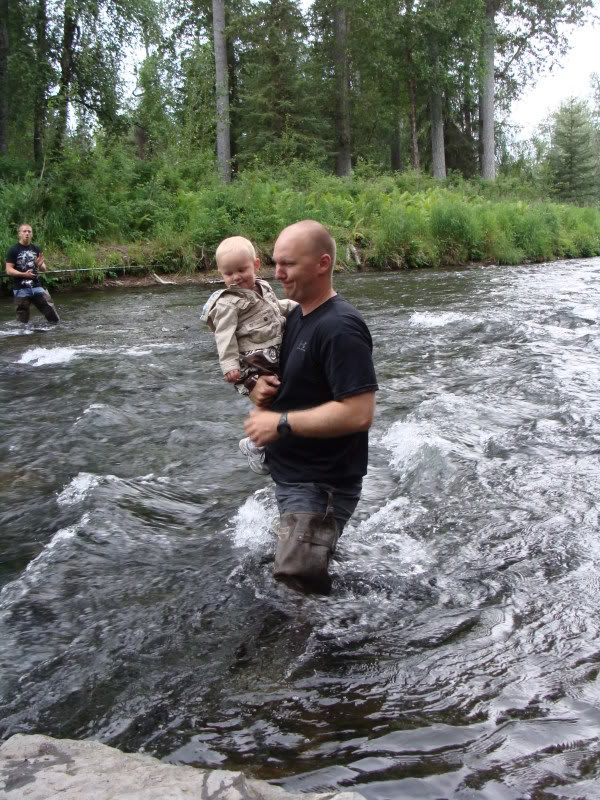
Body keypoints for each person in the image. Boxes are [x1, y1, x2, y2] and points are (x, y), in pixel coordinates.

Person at [244, 220, 378, 593]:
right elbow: (291, 384)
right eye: (275, 262)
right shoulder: (296, 316)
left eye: (288, 264)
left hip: (322, 485)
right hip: (295, 475)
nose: (278, 274)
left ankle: (323, 650)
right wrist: (259, 389)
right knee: (297, 582)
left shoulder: (341, 328)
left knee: (295, 588)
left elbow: (359, 412)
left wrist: (281, 424)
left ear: (322, 264)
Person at [201, 235, 297, 474]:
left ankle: (266, 442)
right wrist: (229, 365)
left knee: (278, 395)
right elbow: (224, 336)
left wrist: (296, 306)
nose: (235, 278)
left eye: (241, 270)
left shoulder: (262, 287)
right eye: (228, 273)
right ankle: (255, 443)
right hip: (253, 359)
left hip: (273, 350)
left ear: (255, 265)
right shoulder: (228, 304)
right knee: (268, 394)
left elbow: (273, 308)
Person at [5, 223, 59, 324]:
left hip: (36, 287)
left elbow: (44, 269)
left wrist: (39, 264)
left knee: (52, 316)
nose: (27, 233)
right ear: (19, 234)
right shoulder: (13, 250)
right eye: (24, 231)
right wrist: (24, 274)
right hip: (20, 289)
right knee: (22, 323)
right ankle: (25, 339)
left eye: (29, 231)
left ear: (32, 234)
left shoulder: (36, 248)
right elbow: (9, 270)